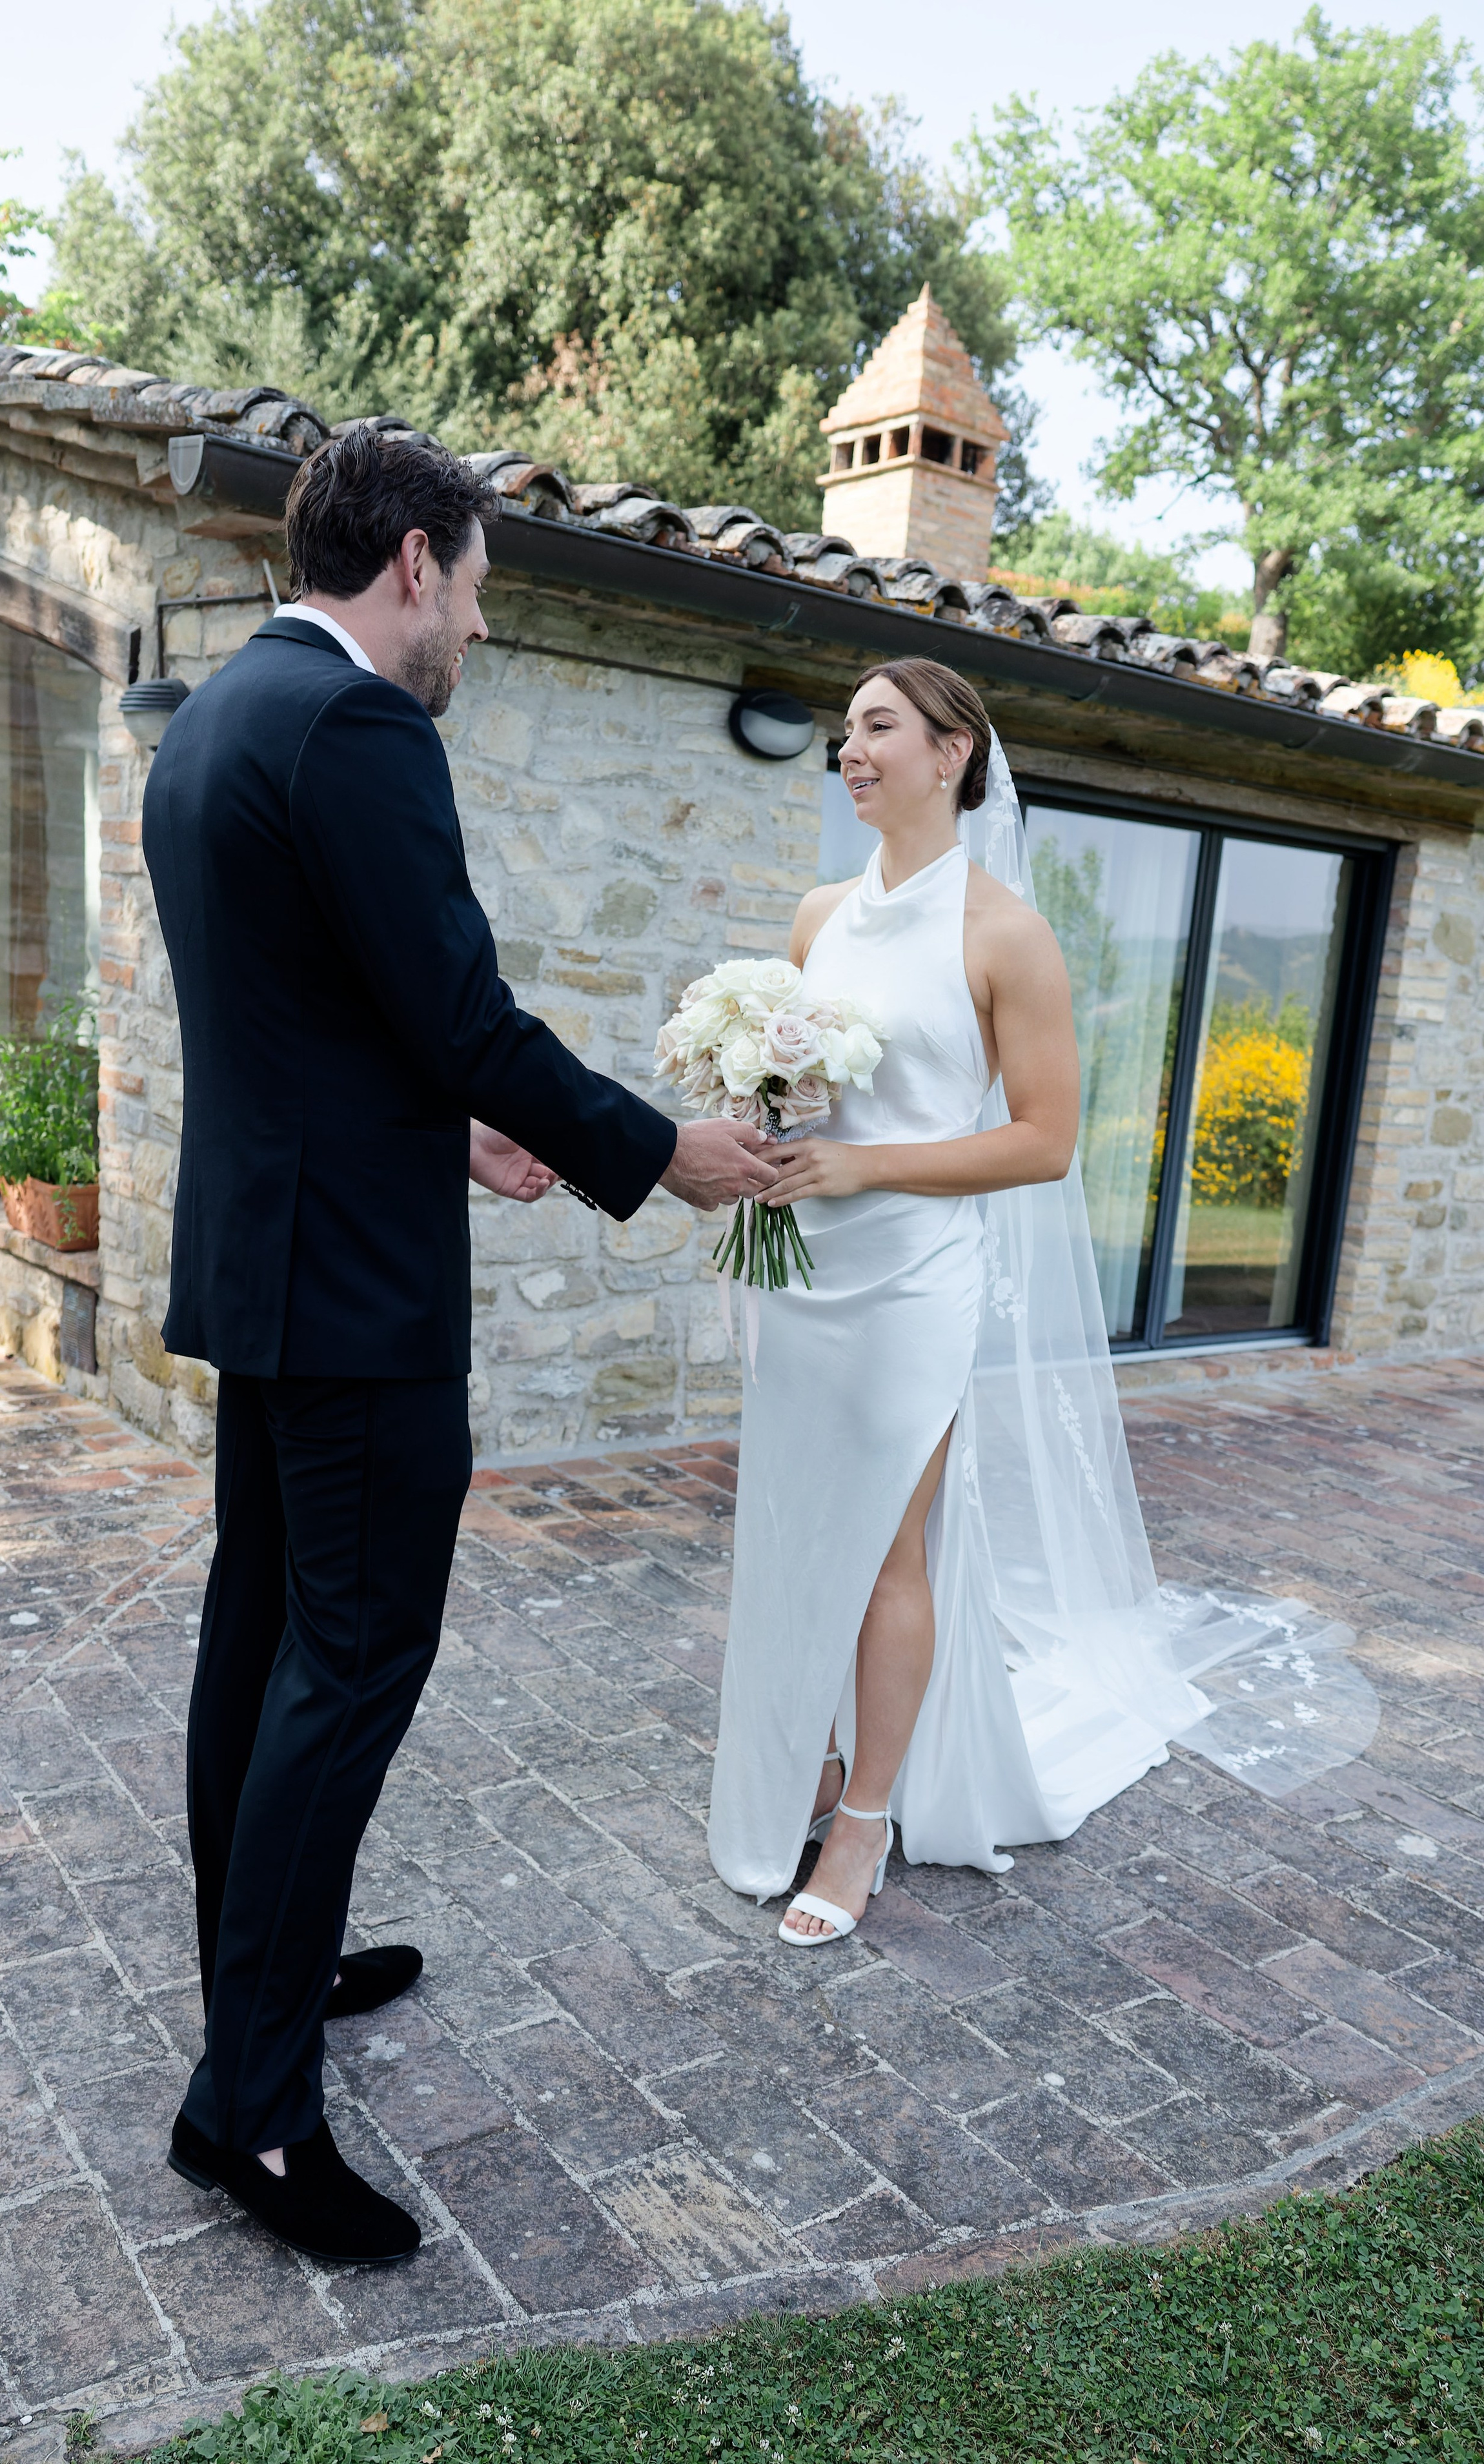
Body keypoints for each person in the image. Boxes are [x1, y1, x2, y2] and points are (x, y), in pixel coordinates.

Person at [141, 428, 775, 2263]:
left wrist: (454, 1125)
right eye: (483, 588)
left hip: (273, 1267)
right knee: (349, 1665)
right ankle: (250, 2113)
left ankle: (269, 1970)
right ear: (413, 563)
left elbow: (327, 1015)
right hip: (354, 1298)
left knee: (260, 1643)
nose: (480, 631)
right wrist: (659, 1154)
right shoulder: (357, 730)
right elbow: (463, 1006)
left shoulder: (215, 716)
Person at [706, 658, 1222, 1942]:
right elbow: (799, 1089)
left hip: (914, 1280)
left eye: (876, 727)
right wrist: (757, 1128)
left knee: (889, 1542)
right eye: (842, 732)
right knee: (790, 1525)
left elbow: (1044, 1141)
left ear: (952, 754)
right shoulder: (818, 914)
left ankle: (865, 1816)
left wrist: (864, 1163)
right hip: (804, 1268)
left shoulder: (1003, 932)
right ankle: (802, 1769)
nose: (849, 748)